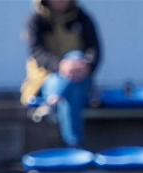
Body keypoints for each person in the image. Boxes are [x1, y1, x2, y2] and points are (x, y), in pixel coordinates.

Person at [21, 1, 102, 149]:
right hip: (47, 80)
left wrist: (85, 65)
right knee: (72, 90)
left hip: (80, 78)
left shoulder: (82, 18)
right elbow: (38, 53)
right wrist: (61, 66)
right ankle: (74, 145)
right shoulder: (35, 21)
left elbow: (94, 50)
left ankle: (52, 102)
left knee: (75, 58)